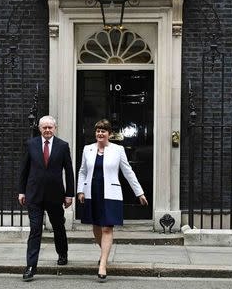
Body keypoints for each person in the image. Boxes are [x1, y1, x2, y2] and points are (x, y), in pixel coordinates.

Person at [77, 119, 148, 282]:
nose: (100, 134)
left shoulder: (118, 150)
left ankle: (102, 264)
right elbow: (82, 171)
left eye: (103, 131)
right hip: (91, 191)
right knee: (96, 227)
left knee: (107, 228)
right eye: (98, 131)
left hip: (110, 193)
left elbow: (128, 172)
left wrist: (139, 193)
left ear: (109, 133)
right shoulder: (88, 149)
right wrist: (80, 190)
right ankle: (105, 254)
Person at [18, 115, 74, 282]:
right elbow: (24, 170)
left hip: (55, 195)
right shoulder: (31, 144)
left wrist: (69, 194)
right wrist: (21, 192)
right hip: (34, 195)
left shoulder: (63, 146)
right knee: (35, 230)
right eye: (44, 127)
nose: (47, 130)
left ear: (55, 128)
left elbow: (69, 171)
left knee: (58, 226)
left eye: (50, 127)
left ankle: (62, 253)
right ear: (40, 129)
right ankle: (31, 266)